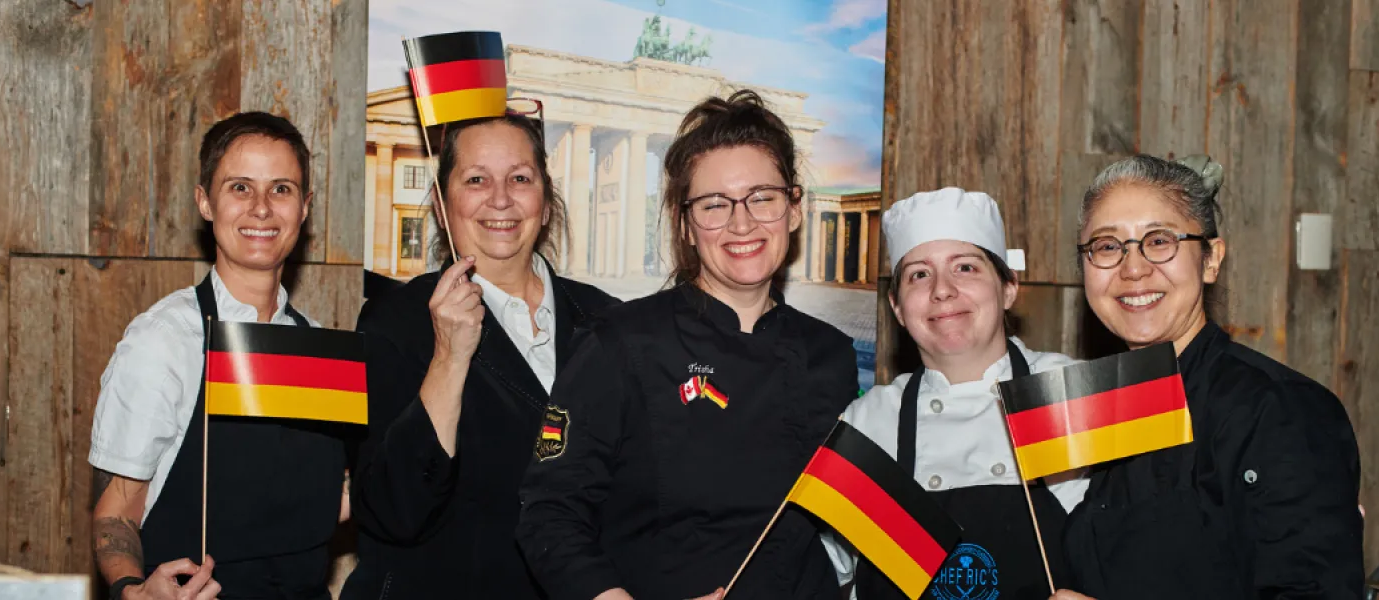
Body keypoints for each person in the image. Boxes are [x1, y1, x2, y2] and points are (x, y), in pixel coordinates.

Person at [515, 90, 859, 600]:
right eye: (715, 205)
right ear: (685, 224)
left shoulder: (831, 353)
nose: (742, 223)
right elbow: (548, 513)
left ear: (794, 209)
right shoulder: (619, 343)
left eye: (762, 197)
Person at [1051, 155, 1363, 599]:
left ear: (1211, 259)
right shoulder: (1113, 413)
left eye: (1159, 241)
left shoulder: (1279, 410)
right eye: (1106, 246)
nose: (1132, 268)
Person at [340, 112, 619, 599]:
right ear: (442, 205)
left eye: (520, 178)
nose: (501, 198)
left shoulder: (606, 319)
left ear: (546, 202)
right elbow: (392, 510)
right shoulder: (395, 322)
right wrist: (449, 357)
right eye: (476, 179)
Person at [89, 112, 346, 600]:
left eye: (282, 189)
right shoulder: (164, 340)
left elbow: (326, 502)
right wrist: (133, 591)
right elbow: (116, 513)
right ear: (205, 202)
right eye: (240, 188)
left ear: (305, 207)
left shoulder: (318, 346)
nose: (262, 209)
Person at [826, 188, 1088, 599]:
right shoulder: (866, 423)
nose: (942, 290)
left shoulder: (1073, 394)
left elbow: (1145, 551)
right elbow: (817, 569)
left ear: (1008, 288)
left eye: (965, 267)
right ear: (897, 307)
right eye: (918, 274)